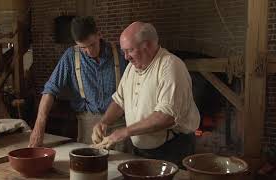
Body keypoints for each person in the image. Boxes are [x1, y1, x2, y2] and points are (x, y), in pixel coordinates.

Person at [92, 21, 200, 167]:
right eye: (123, 51)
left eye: (129, 50)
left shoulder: (170, 66)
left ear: (147, 45)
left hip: (172, 149)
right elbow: (120, 100)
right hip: (142, 150)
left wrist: (124, 132)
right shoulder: (132, 67)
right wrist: (104, 122)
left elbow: (166, 117)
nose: (125, 57)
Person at [29, 16, 129, 150]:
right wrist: (39, 126)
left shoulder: (121, 54)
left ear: (99, 34)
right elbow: (50, 90)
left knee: (120, 165)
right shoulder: (71, 56)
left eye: (92, 44)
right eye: (83, 48)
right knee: (88, 166)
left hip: (119, 125)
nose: (89, 51)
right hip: (88, 125)